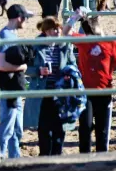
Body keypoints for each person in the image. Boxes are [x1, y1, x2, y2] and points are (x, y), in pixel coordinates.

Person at [61, 10, 116, 153]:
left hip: (105, 92)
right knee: (85, 127)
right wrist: (74, 17)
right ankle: (85, 158)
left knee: (102, 130)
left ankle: (102, 159)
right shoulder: (84, 41)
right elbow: (65, 33)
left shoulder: (111, 44)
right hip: (86, 93)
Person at [22, 17, 78, 156]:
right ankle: (45, 154)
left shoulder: (65, 45)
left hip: (61, 91)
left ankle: (57, 153)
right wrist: (38, 71)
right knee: (44, 126)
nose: (58, 31)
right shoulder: (35, 46)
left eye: (59, 28)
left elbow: (73, 65)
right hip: (43, 92)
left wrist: (68, 74)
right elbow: (24, 68)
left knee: (60, 125)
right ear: (47, 31)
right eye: (55, 29)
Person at [0, 4, 34, 159]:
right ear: (19, 18)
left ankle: (14, 158)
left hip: (14, 86)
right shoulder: (5, 36)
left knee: (16, 128)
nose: (26, 21)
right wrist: (23, 66)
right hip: (8, 87)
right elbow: (2, 65)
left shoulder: (12, 35)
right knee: (7, 125)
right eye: (25, 18)